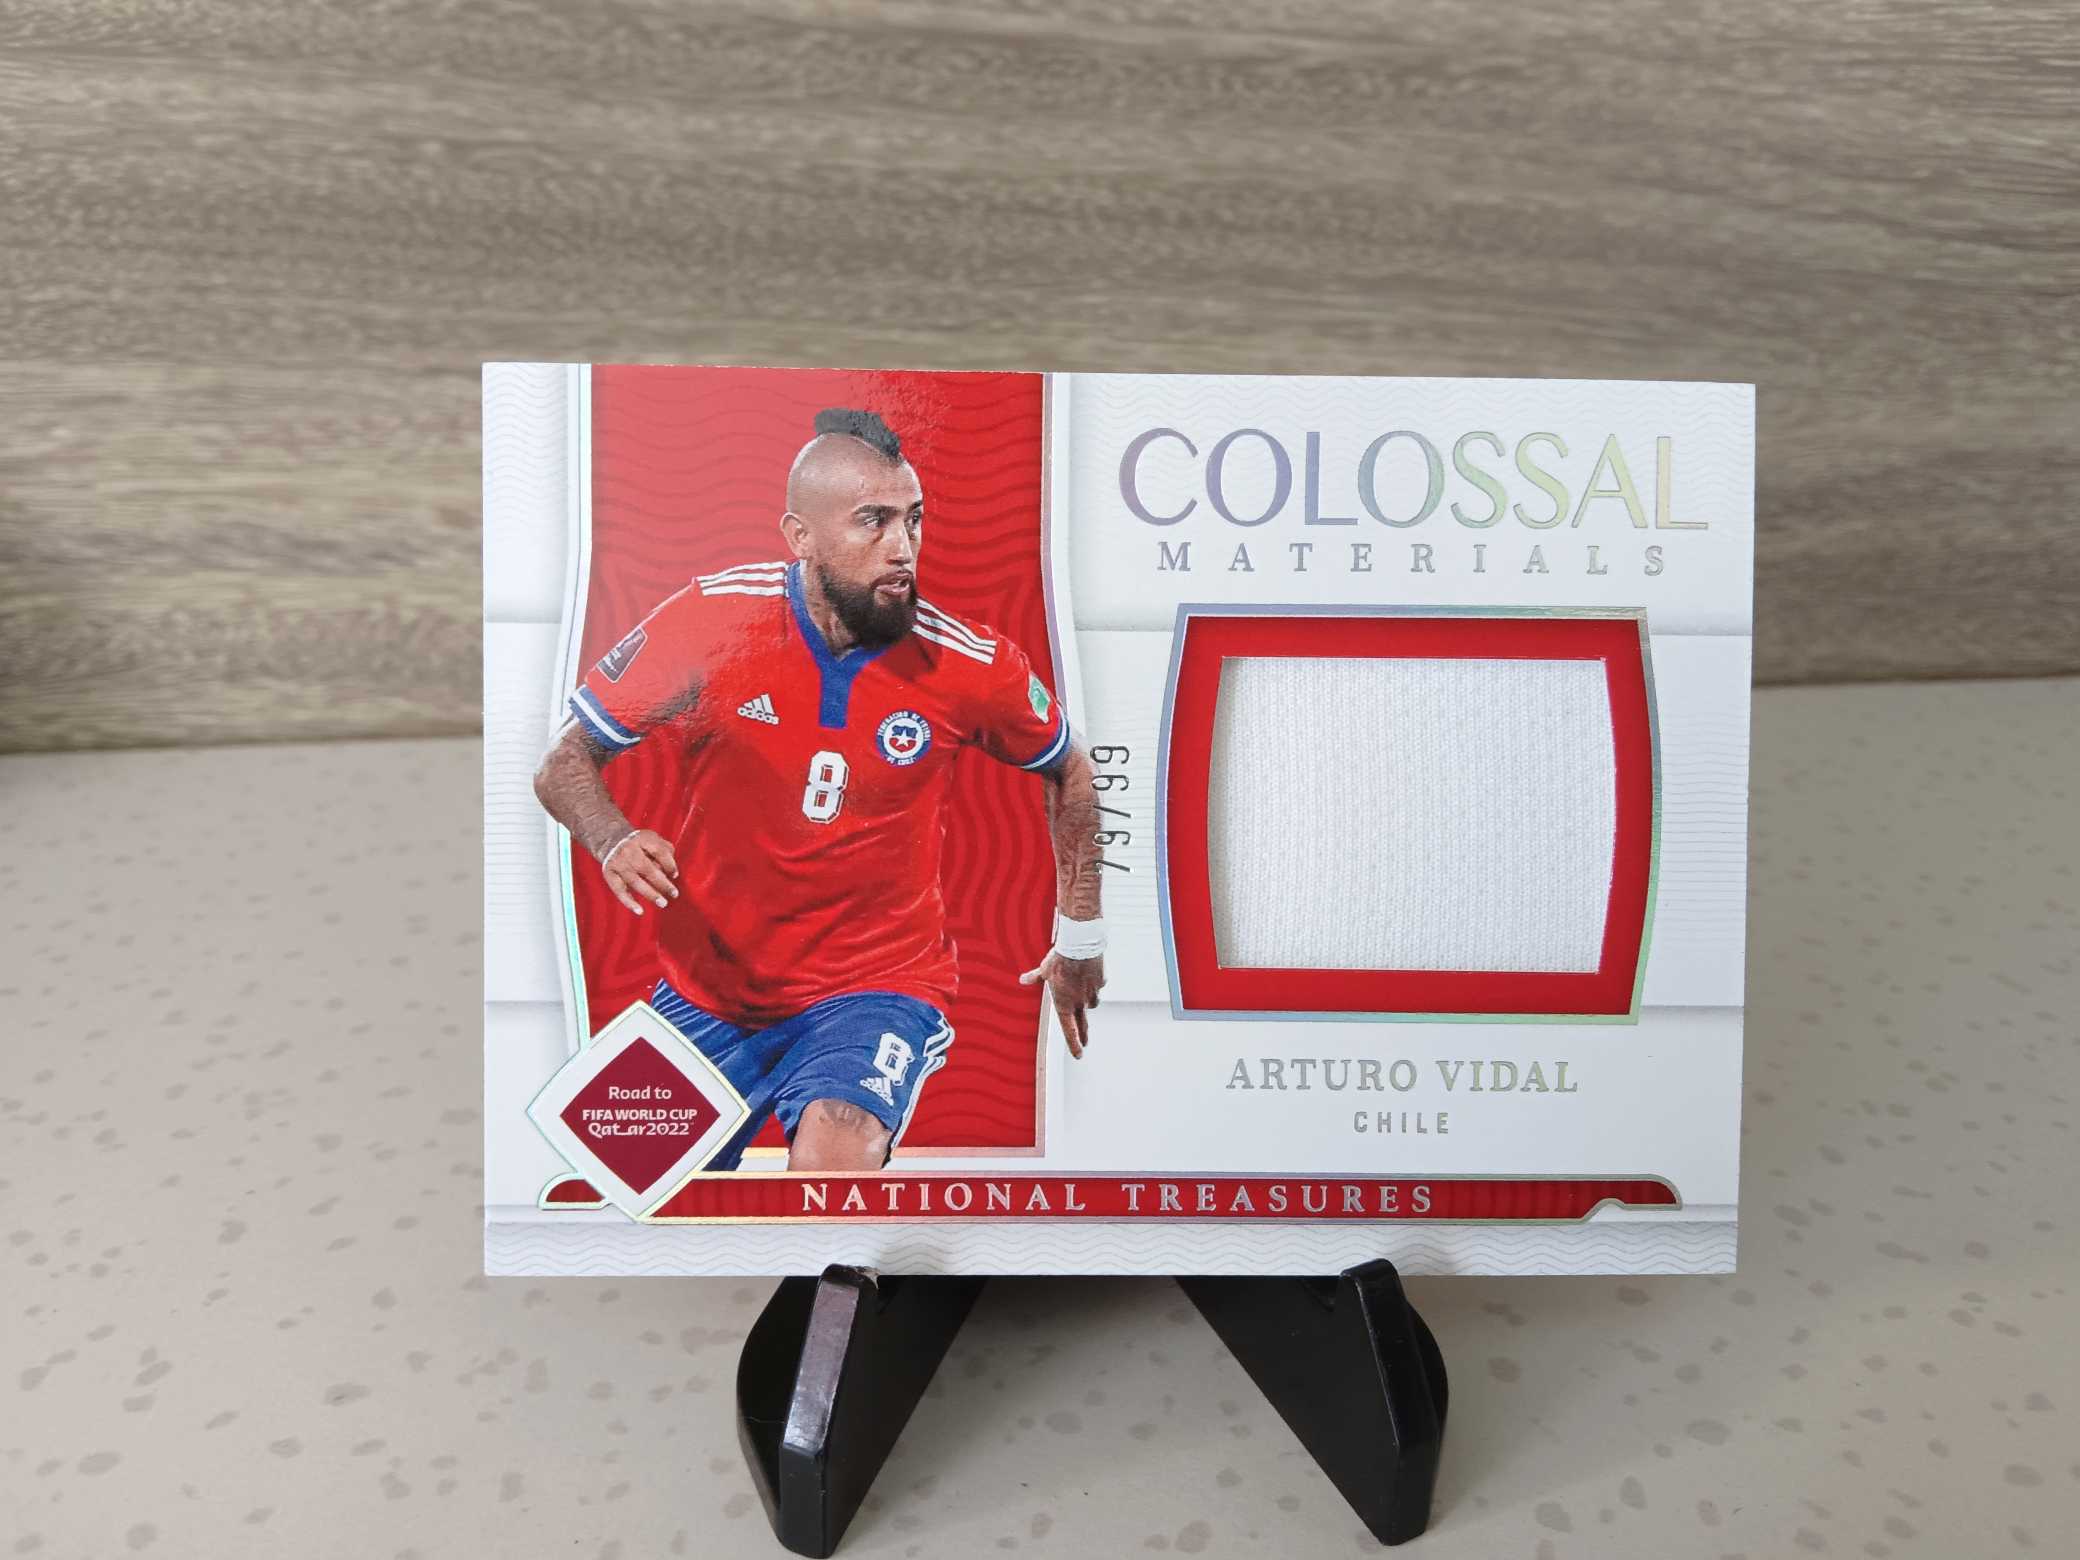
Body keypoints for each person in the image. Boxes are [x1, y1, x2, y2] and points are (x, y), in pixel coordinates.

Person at [534, 408, 1105, 1172]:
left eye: (914, 519)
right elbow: (564, 760)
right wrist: (612, 837)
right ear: (800, 536)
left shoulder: (966, 664)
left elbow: (1069, 768)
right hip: (709, 994)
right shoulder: (711, 622)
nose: (902, 548)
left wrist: (1081, 936)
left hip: (875, 987)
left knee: (832, 1168)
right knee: (627, 1198)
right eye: (873, 521)